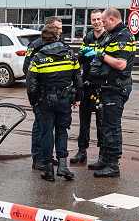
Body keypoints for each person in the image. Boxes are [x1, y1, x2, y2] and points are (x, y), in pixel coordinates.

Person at [26, 25, 81, 182]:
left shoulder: (38, 58)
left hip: (44, 101)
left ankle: (48, 169)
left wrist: (33, 101)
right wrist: (78, 97)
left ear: (43, 40)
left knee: (46, 134)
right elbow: (78, 78)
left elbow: (31, 83)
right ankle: (62, 166)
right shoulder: (70, 55)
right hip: (64, 100)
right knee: (62, 131)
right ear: (57, 37)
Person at [87, 7, 135, 178]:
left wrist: (101, 55)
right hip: (109, 87)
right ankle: (106, 159)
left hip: (116, 87)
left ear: (113, 20)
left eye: (105, 22)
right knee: (106, 125)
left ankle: (113, 165)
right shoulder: (114, 35)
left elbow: (121, 64)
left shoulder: (123, 36)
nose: (102, 25)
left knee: (113, 127)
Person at [23, 17, 64, 170]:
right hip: (41, 94)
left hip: (55, 94)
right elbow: (27, 69)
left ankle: (48, 156)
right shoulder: (36, 46)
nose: (60, 31)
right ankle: (38, 158)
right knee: (40, 127)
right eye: (58, 28)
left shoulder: (60, 43)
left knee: (50, 127)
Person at [73, 10, 105, 166]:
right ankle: (82, 151)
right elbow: (80, 58)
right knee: (84, 121)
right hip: (87, 86)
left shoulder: (109, 38)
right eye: (94, 19)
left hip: (101, 87)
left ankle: (102, 154)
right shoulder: (88, 38)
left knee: (101, 123)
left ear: (103, 20)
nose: (96, 22)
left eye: (99, 19)